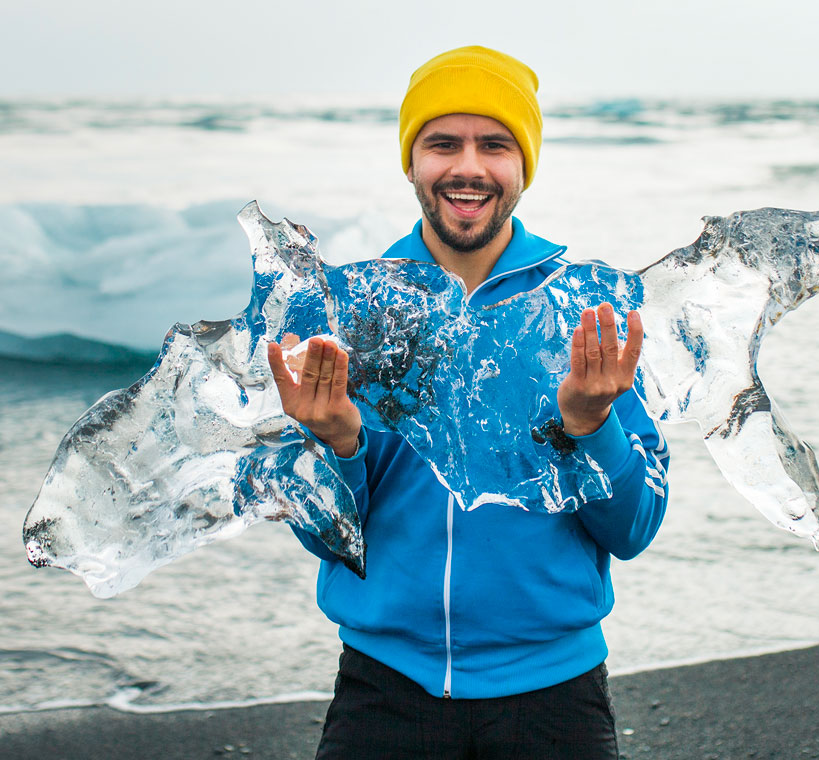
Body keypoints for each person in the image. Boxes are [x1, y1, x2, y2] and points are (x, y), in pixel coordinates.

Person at [267, 46, 670, 759]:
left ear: (524, 166)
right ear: (412, 162)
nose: (469, 168)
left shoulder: (582, 313)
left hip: (555, 696)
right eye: (442, 144)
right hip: (385, 687)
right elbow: (320, 537)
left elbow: (634, 529)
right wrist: (340, 442)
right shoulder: (357, 311)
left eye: (495, 145)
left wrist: (590, 426)